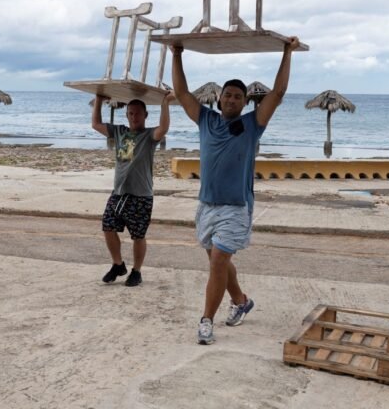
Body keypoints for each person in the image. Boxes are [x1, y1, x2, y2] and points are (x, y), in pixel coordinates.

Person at [171, 37, 300, 344]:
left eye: (237, 96)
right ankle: (242, 301)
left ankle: (206, 321)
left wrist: (287, 52)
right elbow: (181, 93)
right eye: (227, 95)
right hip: (206, 205)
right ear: (219, 99)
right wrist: (176, 54)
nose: (231, 100)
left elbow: (278, 92)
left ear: (245, 102)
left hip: (235, 207)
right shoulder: (206, 120)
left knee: (217, 262)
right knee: (219, 262)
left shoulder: (252, 124)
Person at [91, 92, 174, 286]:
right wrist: (98, 100)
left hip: (141, 195)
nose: (134, 117)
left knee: (138, 235)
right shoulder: (119, 131)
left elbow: (164, 128)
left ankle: (136, 271)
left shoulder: (149, 135)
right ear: (126, 115)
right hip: (119, 192)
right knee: (108, 227)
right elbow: (95, 124)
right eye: (130, 113)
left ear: (145, 115)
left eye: (137, 113)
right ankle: (118, 264)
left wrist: (165, 103)